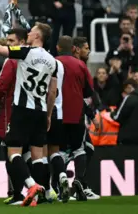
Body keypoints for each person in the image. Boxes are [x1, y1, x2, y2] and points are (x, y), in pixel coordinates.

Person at [0, 11, 58, 206]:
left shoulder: (25, 52)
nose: (29, 32)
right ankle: (41, 194)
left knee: (14, 154)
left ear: (37, 36)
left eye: (32, 31)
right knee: (38, 157)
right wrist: (48, 115)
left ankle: (31, 186)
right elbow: (52, 91)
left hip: (21, 109)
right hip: (40, 110)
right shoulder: (53, 61)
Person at [50, 36, 94, 202]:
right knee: (79, 149)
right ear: (73, 48)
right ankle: (78, 181)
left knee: (57, 151)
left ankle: (57, 185)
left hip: (57, 114)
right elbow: (89, 91)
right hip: (76, 114)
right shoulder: (80, 65)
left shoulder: (52, 63)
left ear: (58, 47)